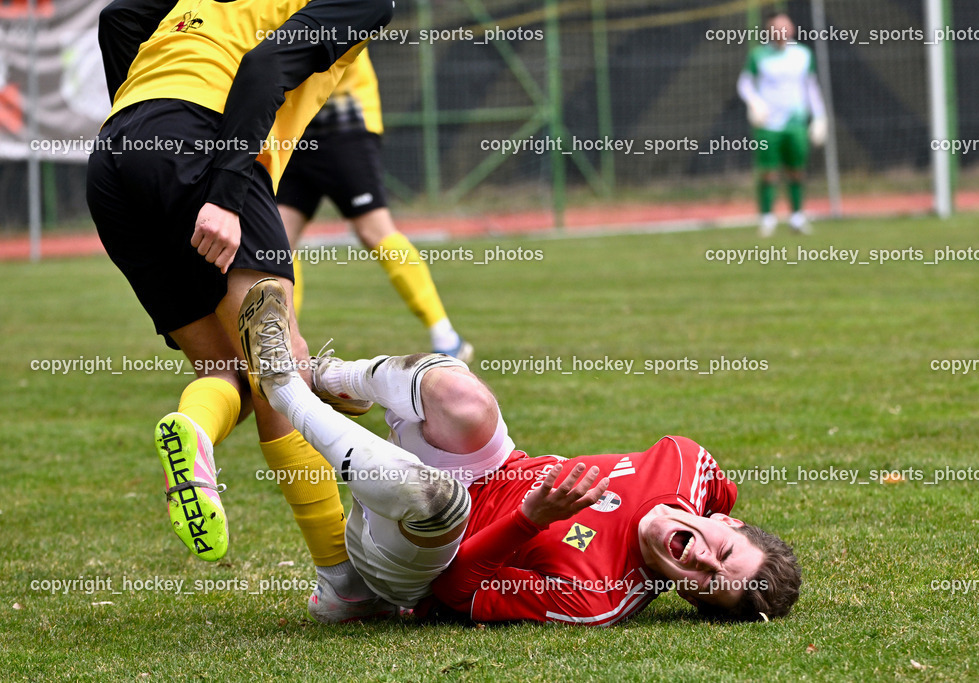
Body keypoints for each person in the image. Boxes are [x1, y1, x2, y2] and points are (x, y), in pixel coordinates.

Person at [239, 277, 802, 624]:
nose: (702, 562)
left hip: (416, 558)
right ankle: (326, 376)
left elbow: (456, 589)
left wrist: (530, 520)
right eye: (724, 554)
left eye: (707, 584)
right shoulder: (689, 466)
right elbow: (716, 485)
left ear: (688, 597)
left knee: (437, 502)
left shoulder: (599, 597)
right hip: (490, 466)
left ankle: (282, 384)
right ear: (726, 520)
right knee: (466, 402)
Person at [87, 0, 397, 623]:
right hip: (204, 147)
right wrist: (224, 191)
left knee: (228, 370)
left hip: (116, 156)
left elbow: (119, 16)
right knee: (278, 373)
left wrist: (148, 130)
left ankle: (196, 435)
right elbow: (262, 65)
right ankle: (344, 581)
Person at [277, 51, 473, 362]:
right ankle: (284, 345)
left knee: (374, 230)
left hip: (344, 126)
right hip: (291, 131)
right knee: (278, 242)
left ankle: (446, 337)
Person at [737, 12, 828, 237]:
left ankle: (797, 218)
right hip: (768, 124)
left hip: (795, 122)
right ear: (768, 31)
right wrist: (755, 103)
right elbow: (745, 84)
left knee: (796, 171)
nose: (781, 32)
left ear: (792, 29)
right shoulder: (759, 55)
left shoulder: (802, 55)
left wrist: (819, 116)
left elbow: (811, 87)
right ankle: (767, 219)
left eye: (784, 27)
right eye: (776, 28)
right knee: (768, 173)